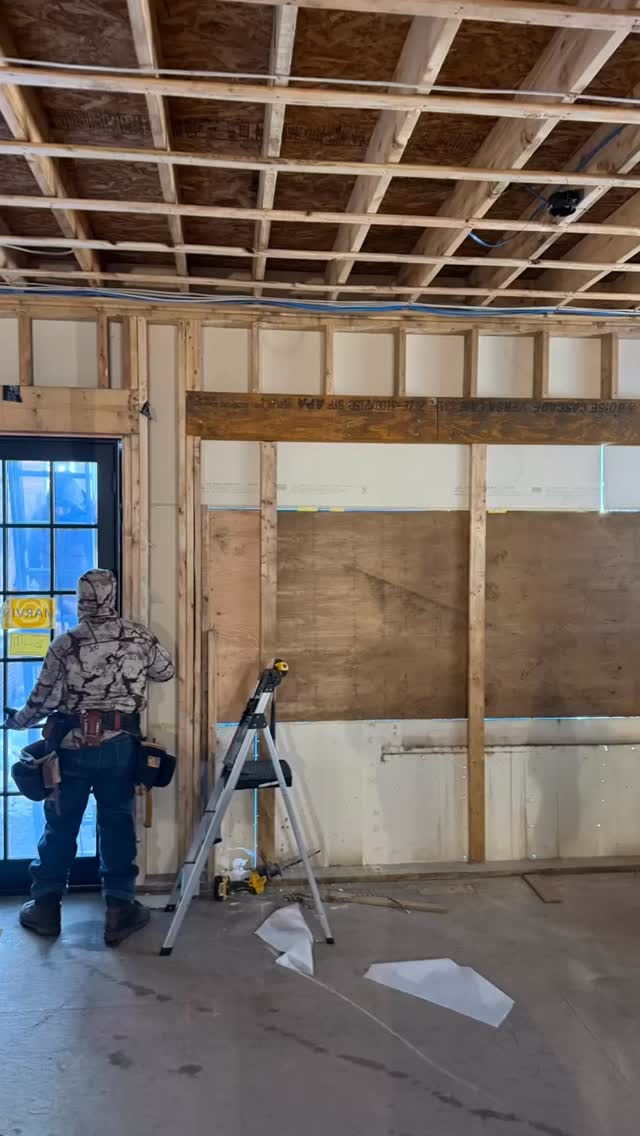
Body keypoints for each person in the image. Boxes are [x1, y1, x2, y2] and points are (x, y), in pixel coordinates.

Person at [5, 568, 174, 946]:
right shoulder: (139, 637)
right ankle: (119, 910)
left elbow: (43, 701)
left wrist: (17, 722)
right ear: (114, 596)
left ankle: (46, 908)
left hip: (71, 749)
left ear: (80, 599)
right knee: (117, 824)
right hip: (121, 747)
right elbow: (165, 671)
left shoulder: (66, 644)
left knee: (61, 825)